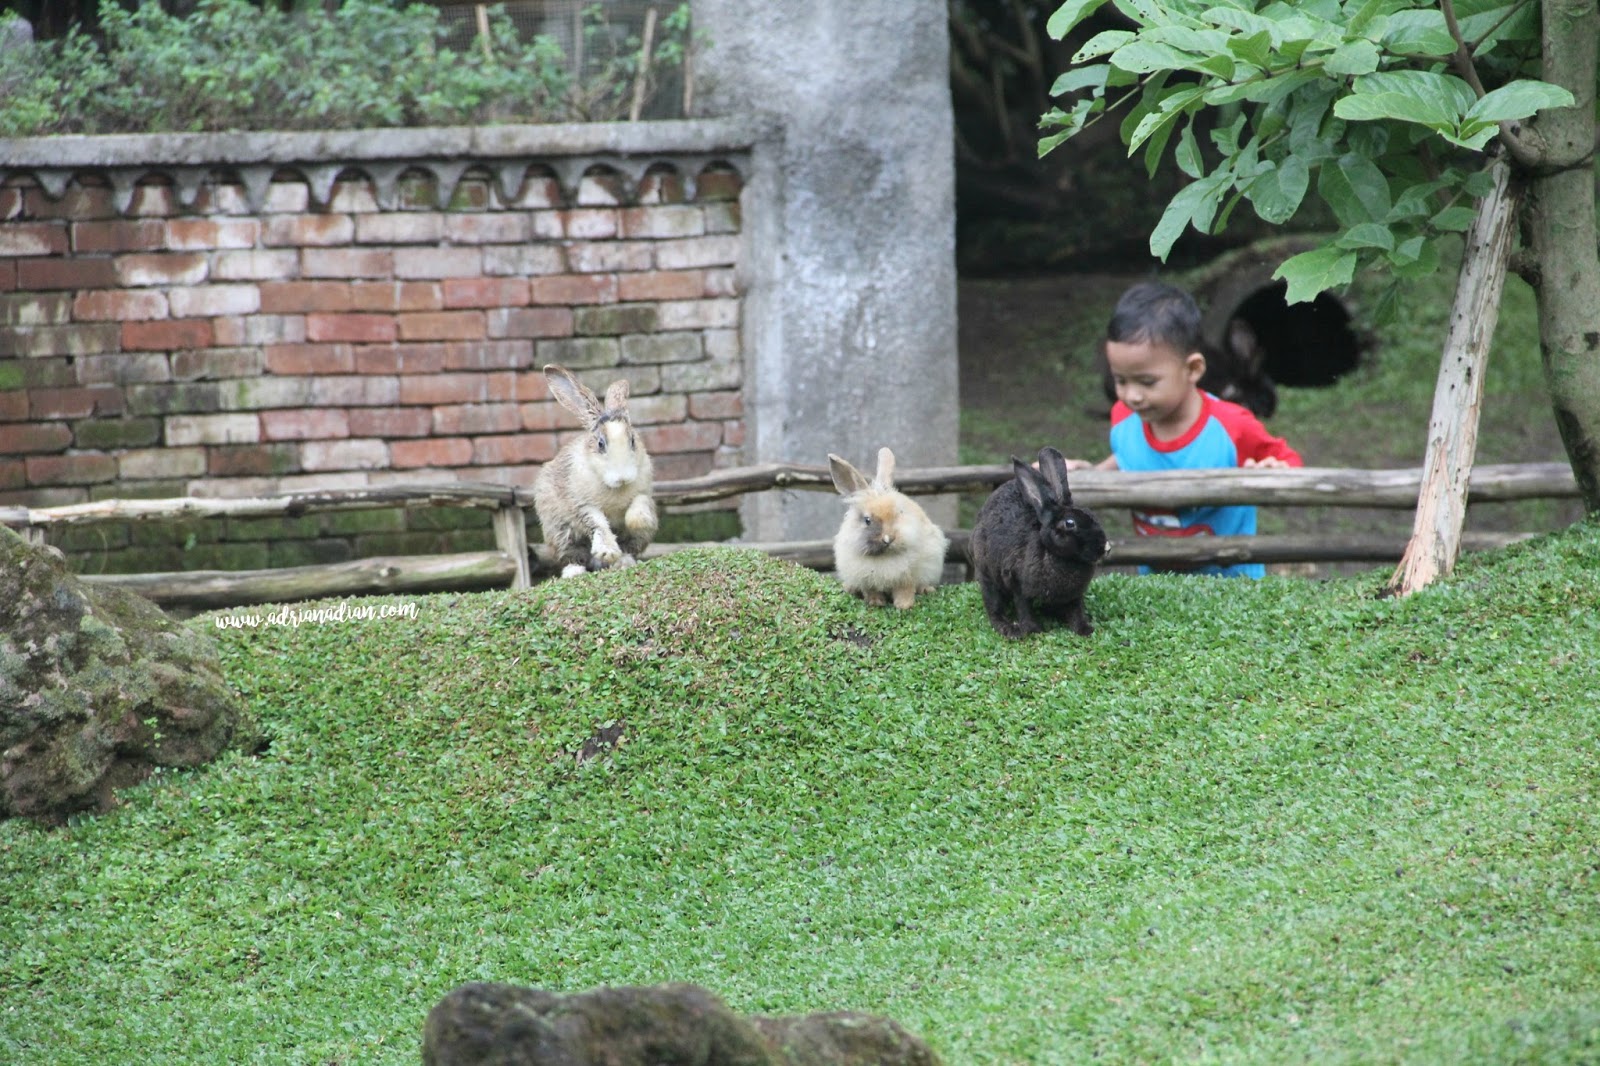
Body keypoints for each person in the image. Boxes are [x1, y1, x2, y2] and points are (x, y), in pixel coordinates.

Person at [1066, 281, 1302, 578]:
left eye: (1147, 382)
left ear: (1193, 370)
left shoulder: (1231, 426)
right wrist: (1081, 476)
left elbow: (1289, 466)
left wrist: (1273, 469)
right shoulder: (1125, 418)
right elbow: (1128, 458)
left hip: (1232, 590)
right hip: (1156, 588)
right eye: (1121, 381)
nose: (1132, 396)